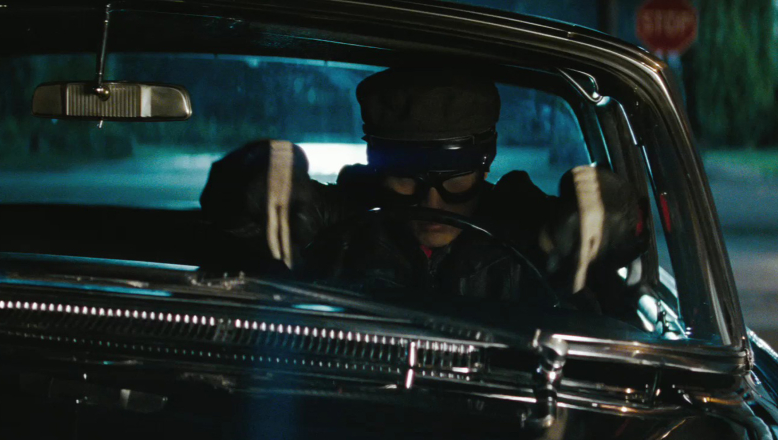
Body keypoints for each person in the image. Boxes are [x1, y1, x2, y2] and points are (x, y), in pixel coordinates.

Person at [200, 68, 646, 307]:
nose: (431, 201)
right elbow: (232, 220)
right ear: (377, 169)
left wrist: (614, 213)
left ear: (486, 165)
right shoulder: (341, 216)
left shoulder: (527, 224)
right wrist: (253, 180)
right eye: (405, 179)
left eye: (454, 180)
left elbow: (621, 252)